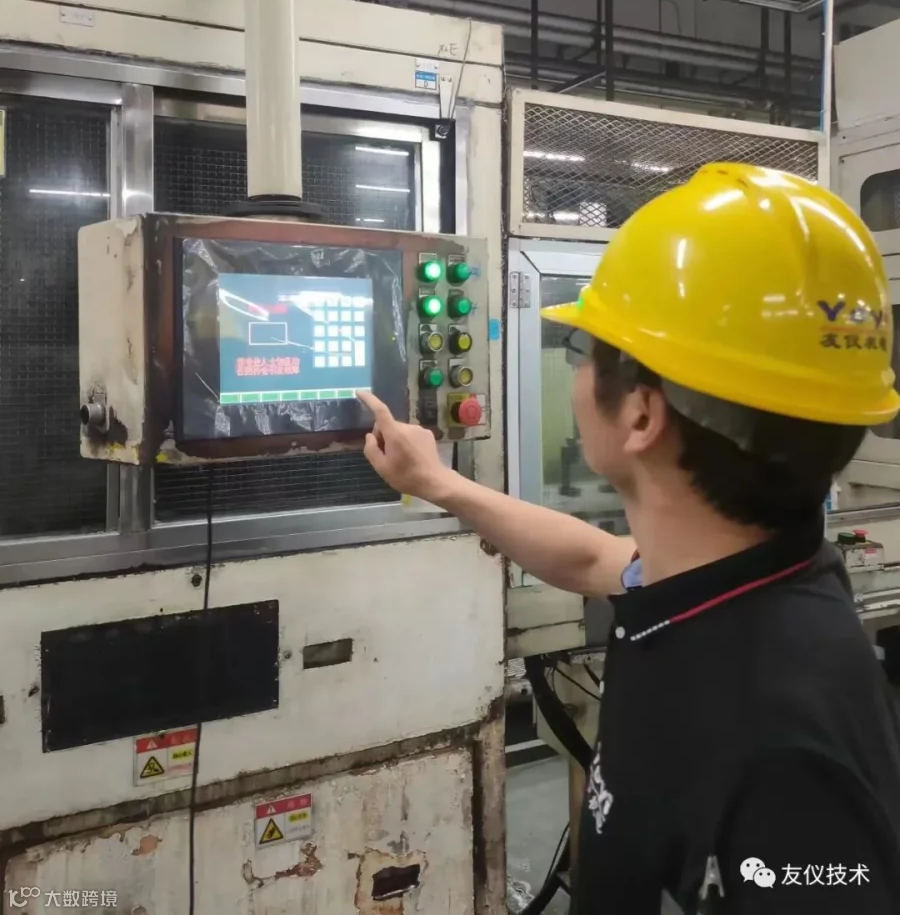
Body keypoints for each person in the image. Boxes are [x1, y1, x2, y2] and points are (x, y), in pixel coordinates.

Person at [358, 162, 900, 914]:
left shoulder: (785, 757)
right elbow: (594, 558)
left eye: (583, 351)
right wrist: (440, 483)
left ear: (642, 413)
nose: (575, 375)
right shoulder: (749, 575)